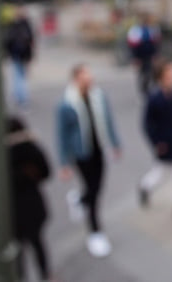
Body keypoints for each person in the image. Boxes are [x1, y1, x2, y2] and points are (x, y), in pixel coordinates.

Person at [56, 64, 122, 258]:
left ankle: (78, 199)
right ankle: (95, 232)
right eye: (85, 76)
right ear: (76, 79)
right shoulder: (66, 104)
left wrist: (115, 143)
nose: (90, 78)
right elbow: (62, 135)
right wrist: (64, 163)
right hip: (81, 154)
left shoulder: (99, 96)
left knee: (97, 188)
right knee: (93, 194)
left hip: (98, 150)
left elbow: (108, 121)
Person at [137, 59, 172, 221]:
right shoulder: (154, 99)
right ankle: (144, 187)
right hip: (164, 145)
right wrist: (156, 142)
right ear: (161, 78)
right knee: (160, 174)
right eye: (170, 75)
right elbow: (147, 125)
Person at [5, 115, 54, 282]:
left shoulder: (2, 155)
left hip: (13, 211)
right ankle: (45, 275)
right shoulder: (32, 148)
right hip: (33, 207)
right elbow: (46, 172)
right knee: (37, 244)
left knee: (18, 250)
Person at [5, 6, 36, 108]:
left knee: (18, 76)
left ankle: (20, 97)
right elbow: (31, 41)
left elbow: (8, 41)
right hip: (22, 55)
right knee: (21, 77)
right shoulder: (25, 25)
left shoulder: (15, 25)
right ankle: (21, 98)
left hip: (17, 55)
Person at [126, 12, 161, 95]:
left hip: (149, 55)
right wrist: (135, 58)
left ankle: (149, 88)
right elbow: (133, 46)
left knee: (150, 72)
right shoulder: (136, 30)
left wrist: (155, 54)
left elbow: (155, 43)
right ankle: (143, 89)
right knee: (142, 73)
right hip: (141, 56)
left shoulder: (152, 29)